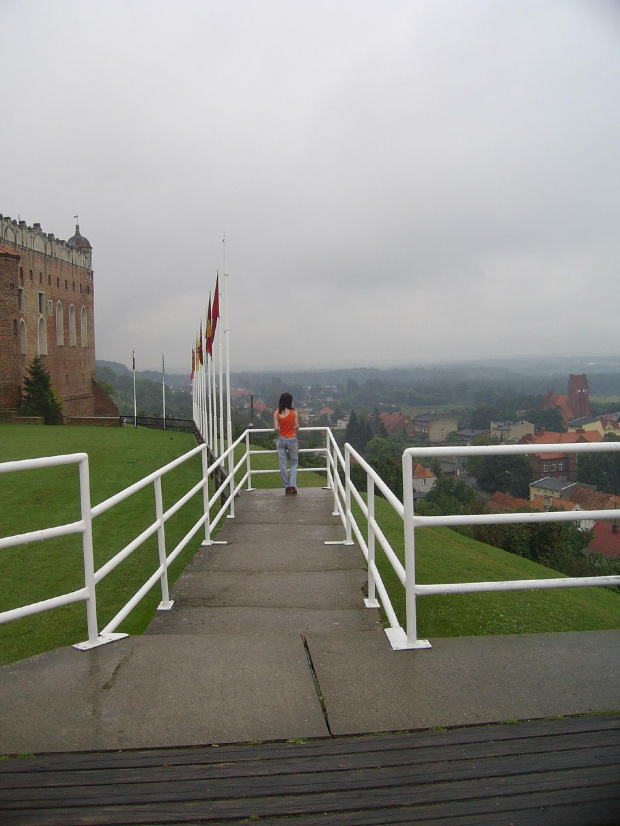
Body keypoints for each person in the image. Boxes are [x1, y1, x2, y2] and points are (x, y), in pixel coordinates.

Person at [273, 392, 300, 495]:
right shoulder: (294, 412)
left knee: (282, 464)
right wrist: (291, 427)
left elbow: (276, 428)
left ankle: (286, 486)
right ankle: (292, 485)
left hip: (281, 440)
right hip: (292, 439)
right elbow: (297, 426)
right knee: (293, 463)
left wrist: (282, 428)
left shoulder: (276, 413)